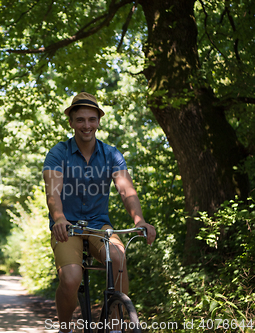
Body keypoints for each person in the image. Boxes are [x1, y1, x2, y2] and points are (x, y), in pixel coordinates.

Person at [42, 92, 156, 333]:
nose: (87, 125)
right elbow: (53, 192)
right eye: (81, 120)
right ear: (71, 122)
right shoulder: (58, 153)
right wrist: (59, 218)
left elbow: (126, 190)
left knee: (118, 255)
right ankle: (65, 327)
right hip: (68, 226)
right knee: (71, 278)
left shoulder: (111, 154)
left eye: (92, 119)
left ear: (99, 121)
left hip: (98, 225)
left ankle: (115, 325)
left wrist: (140, 220)